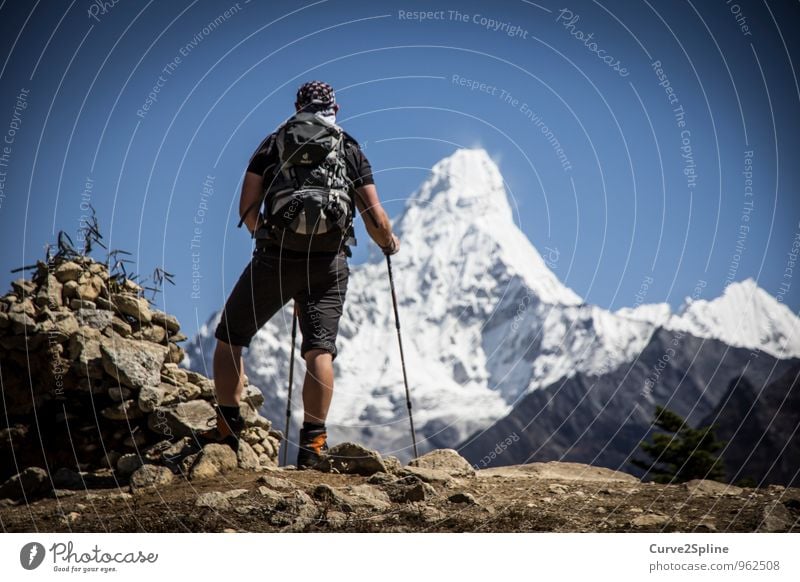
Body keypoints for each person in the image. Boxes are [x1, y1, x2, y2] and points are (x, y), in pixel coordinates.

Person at [197, 81, 399, 469]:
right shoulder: (349, 148)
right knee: (319, 351)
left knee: (229, 338)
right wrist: (389, 243)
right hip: (330, 264)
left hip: (275, 259)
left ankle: (226, 427)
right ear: (335, 107)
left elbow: (247, 210)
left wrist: (273, 240)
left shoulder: (273, 143)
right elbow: (375, 217)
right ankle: (314, 445)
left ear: (297, 106)